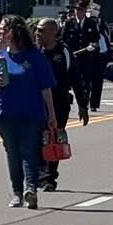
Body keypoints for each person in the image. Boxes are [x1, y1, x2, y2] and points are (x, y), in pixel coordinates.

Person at [0, 15, 58, 209]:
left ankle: (31, 190)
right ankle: (17, 192)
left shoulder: (35, 57)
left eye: (3, 29)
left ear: (14, 31)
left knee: (29, 150)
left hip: (31, 113)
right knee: (13, 151)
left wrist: (51, 115)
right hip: (4, 114)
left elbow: (46, 88)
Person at [33, 17, 77, 193]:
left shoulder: (64, 52)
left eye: (41, 30)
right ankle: (38, 174)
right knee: (36, 139)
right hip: (36, 103)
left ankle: (49, 178)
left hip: (59, 102)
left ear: (53, 32)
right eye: (37, 30)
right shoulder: (34, 52)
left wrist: (83, 105)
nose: (37, 33)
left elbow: (75, 77)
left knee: (54, 139)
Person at [62, 0, 108, 125]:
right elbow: (63, 39)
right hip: (73, 58)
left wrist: (92, 46)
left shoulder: (91, 23)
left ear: (84, 11)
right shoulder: (69, 23)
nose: (78, 12)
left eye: (80, 10)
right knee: (70, 83)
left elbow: (95, 39)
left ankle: (84, 105)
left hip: (86, 58)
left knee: (86, 84)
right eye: (76, 10)